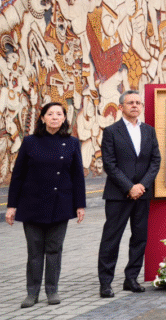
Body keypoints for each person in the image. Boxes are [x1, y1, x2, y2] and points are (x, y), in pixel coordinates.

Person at [5, 102, 86, 308]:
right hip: (31, 204)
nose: (55, 117)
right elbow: (18, 175)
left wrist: (80, 205)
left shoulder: (72, 143)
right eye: (50, 114)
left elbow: (77, 177)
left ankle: (52, 290)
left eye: (59, 114)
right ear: (42, 118)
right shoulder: (30, 142)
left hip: (60, 204)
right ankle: (32, 293)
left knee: (54, 249)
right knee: (34, 251)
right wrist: (11, 206)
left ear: (64, 119)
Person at [97, 91, 162, 298]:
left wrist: (141, 185)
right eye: (130, 103)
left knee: (139, 238)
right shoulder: (111, 132)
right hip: (118, 195)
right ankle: (106, 283)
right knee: (111, 239)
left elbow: (155, 161)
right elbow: (110, 164)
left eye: (138, 103)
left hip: (142, 195)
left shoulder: (149, 131)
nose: (135, 106)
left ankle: (131, 278)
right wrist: (129, 187)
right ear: (121, 107)